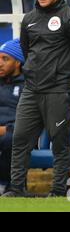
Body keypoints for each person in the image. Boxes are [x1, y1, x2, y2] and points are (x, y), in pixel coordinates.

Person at [2, 0, 70, 197]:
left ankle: (59, 190)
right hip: (31, 89)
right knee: (20, 139)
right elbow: (25, 50)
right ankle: (16, 188)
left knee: (59, 142)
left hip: (59, 89)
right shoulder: (29, 19)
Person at [0, 39, 24, 194]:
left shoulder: (28, 86)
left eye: (5, 59)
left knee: (10, 140)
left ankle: (10, 186)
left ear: (18, 63)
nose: (0, 63)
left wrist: (6, 129)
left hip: (19, 133)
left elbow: (34, 118)